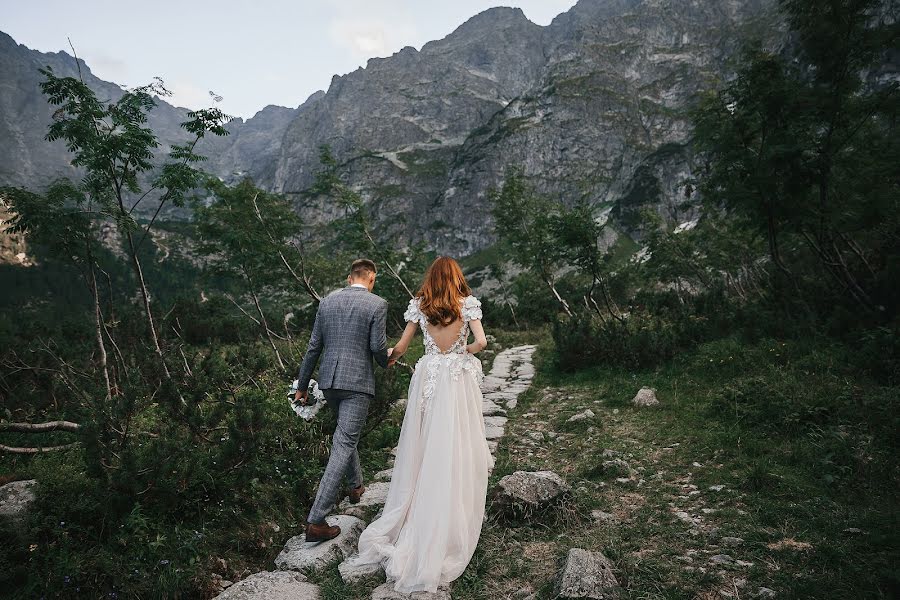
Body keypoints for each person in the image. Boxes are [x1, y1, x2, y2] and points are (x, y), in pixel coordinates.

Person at [345, 256, 491, 593]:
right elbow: (481, 343)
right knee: (457, 438)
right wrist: (461, 353)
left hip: (428, 374)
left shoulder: (419, 306)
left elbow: (401, 346)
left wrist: (389, 358)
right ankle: (453, 502)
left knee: (424, 441)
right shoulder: (467, 304)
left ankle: (417, 501)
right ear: (456, 278)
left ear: (431, 279)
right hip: (455, 376)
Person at [295, 258, 390, 542]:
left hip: (329, 383)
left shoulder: (326, 303)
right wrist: (389, 359)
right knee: (344, 442)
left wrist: (302, 386)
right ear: (371, 278)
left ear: (350, 278)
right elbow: (377, 347)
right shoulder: (377, 304)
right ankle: (316, 520)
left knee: (344, 437)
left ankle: (356, 486)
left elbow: (314, 347)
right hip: (358, 383)